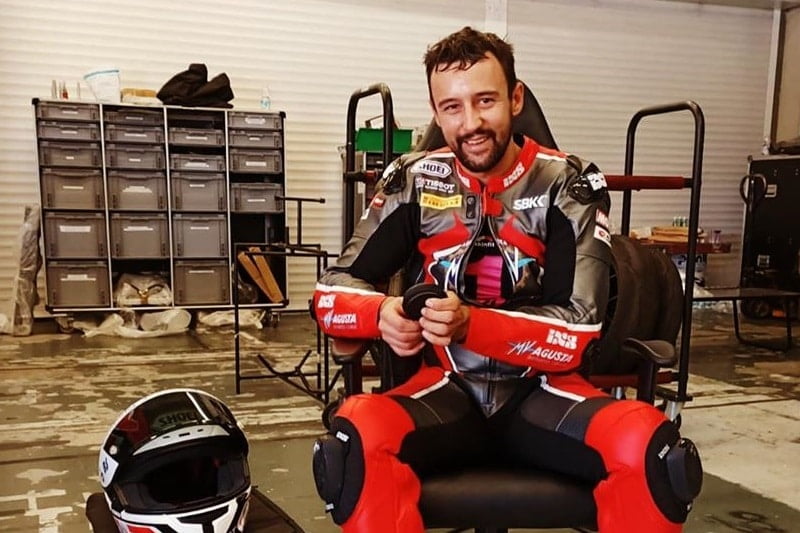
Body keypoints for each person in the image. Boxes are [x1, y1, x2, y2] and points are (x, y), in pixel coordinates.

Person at [311, 26, 701, 533]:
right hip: (442, 392)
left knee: (652, 451)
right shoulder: (413, 179)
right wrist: (380, 313)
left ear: (515, 99)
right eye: (452, 107)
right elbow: (331, 291)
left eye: (485, 101)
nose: (470, 123)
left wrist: (469, 324)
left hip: (544, 393)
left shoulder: (570, 183)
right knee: (355, 440)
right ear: (435, 113)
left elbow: (579, 331)